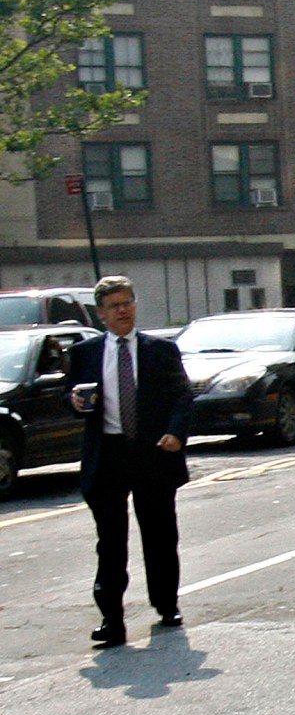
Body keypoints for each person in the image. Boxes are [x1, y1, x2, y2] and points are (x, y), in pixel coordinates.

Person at [69, 276, 192, 646]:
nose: (122, 311)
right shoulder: (86, 353)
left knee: (159, 534)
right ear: (101, 314)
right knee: (110, 541)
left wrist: (176, 433)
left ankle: (166, 604)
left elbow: (182, 396)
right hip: (108, 454)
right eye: (114, 306)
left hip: (153, 452)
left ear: (135, 305)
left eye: (127, 303)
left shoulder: (160, 351)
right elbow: (70, 396)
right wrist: (72, 401)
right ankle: (112, 619)